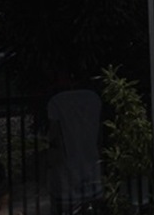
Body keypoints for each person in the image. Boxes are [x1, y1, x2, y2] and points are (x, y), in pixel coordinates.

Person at [46, 70, 103, 214]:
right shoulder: (93, 98)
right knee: (93, 198)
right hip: (91, 157)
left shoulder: (56, 101)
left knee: (68, 203)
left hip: (68, 161)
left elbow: (55, 133)